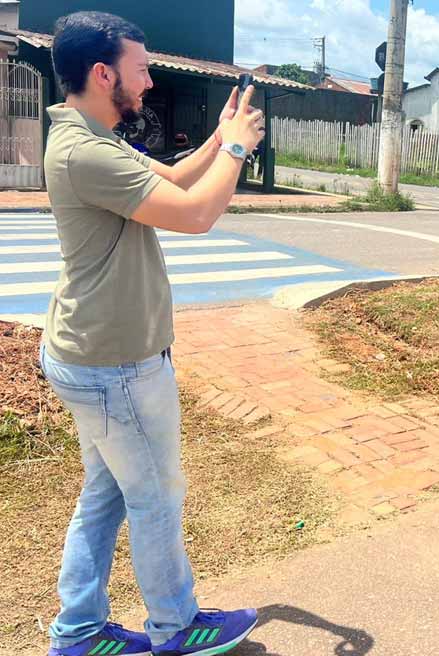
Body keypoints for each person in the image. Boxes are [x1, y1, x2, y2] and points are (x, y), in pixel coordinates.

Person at [39, 11, 265, 656]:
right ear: (103, 72)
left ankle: (79, 632)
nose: (148, 80)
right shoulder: (86, 151)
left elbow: (171, 180)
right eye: (139, 69)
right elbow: (194, 214)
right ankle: (177, 625)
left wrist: (219, 139)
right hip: (115, 361)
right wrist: (237, 148)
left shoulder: (93, 136)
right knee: (157, 495)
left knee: (107, 496)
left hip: (94, 352)